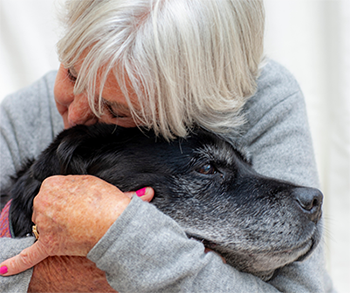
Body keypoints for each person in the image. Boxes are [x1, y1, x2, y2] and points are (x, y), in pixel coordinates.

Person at [0, 0, 335, 292]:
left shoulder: (267, 100)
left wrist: (120, 231)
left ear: (187, 106)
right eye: (72, 73)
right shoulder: (21, 116)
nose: (73, 117)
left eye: (115, 110)